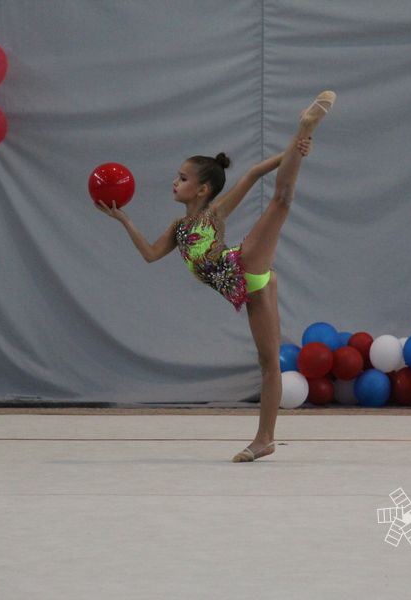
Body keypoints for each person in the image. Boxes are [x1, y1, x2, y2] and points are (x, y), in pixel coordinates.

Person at [96, 91, 336, 462]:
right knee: (269, 364)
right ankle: (265, 440)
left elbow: (254, 173)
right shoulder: (179, 229)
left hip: (242, 265)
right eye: (177, 177)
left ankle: (305, 125)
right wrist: (123, 219)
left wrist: (295, 149)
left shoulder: (215, 213)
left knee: (282, 200)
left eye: (182, 178)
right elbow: (149, 254)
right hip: (251, 291)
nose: (174, 182)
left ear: (203, 189)